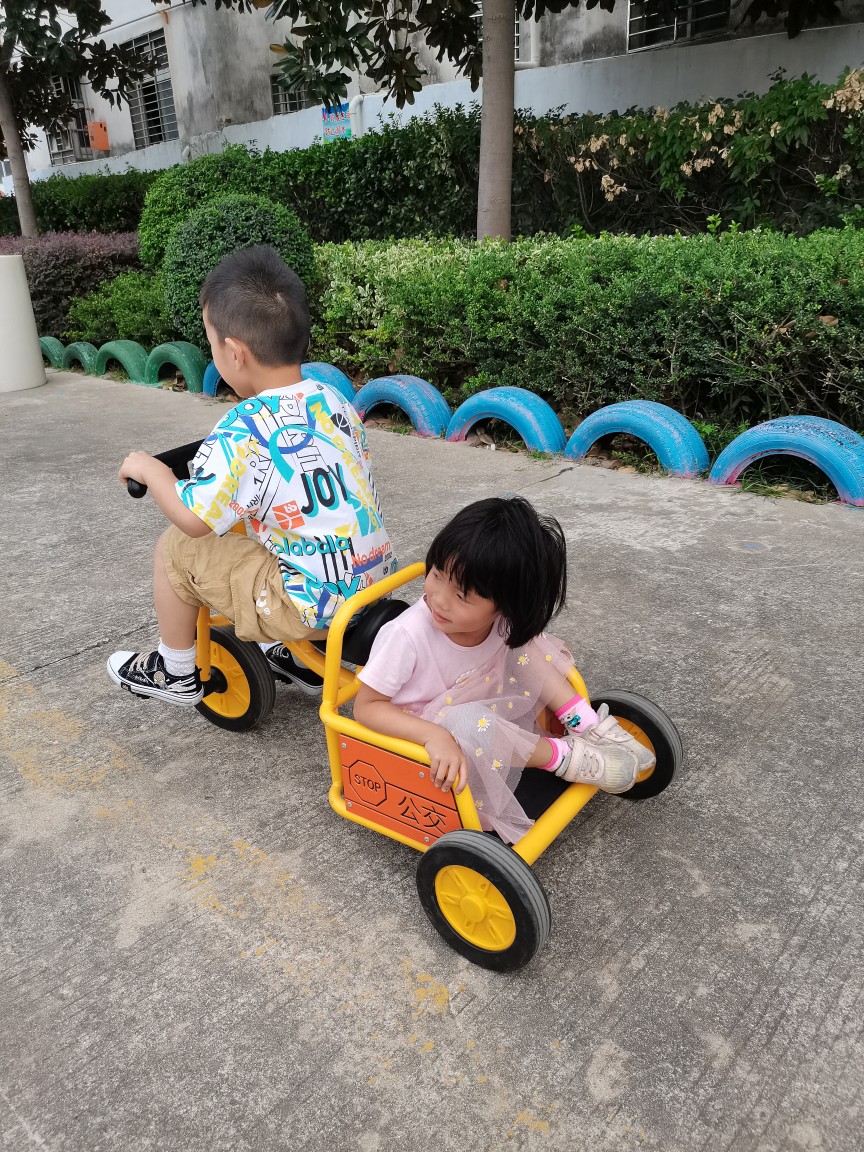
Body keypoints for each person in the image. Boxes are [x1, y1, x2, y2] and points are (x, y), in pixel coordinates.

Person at [107, 245, 395, 705]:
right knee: (273, 530)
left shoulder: (243, 427)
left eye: (211, 343)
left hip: (307, 605)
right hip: (371, 581)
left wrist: (152, 470)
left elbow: (194, 519)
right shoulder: (333, 398)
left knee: (175, 548)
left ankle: (174, 669)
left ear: (234, 353)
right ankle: (298, 657)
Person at [353, 497, 654, 843]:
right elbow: (367, 707)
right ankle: (564, 758)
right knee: (468, 722)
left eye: (462, 595)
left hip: (482, 711)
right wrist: (433, 736)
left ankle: (586, 724)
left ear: (504, 604)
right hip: (429, 738)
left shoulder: (501, 622)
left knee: (526, 646)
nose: (439, 598)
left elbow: (522, 651)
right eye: (436, 574)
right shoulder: (405, 636)